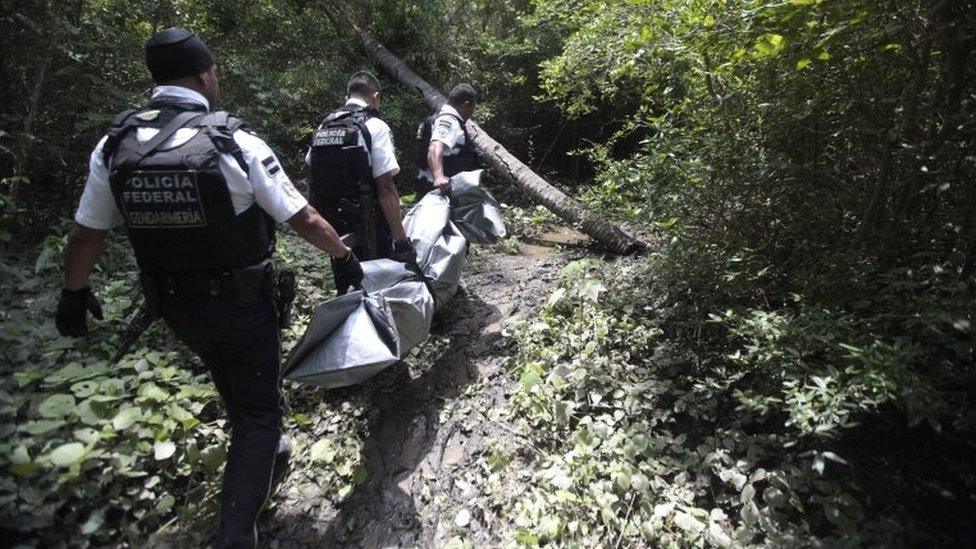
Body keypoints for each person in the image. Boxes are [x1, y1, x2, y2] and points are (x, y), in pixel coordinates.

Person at [53, 28, 363, 548]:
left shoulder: (115, 145)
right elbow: (303, 217)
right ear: (204, 74)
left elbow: (86, 232)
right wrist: (345, 256)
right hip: (241, 303)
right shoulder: (230, 140)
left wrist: (73, 293)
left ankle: (268, 453)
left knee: (233, 381)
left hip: (174, 308)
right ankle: (237, 531)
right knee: (260, 412)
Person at [306, 71, 416, 290]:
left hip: (335, 230)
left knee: (347, 286)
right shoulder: (375, 126)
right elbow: (386, 187)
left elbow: (312, 169)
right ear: (375, 97)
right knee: (379, 290)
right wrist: (401, 241)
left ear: (346, 95)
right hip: (371, 228)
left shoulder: (324, 126)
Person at [415, 83, 479, 196]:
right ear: (466, 105)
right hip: (440, 192)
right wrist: (439, 177)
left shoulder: (439, 115)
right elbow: (435, 147)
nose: (471, 114)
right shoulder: (449, 121)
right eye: (472, 109)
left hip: (432, 188)